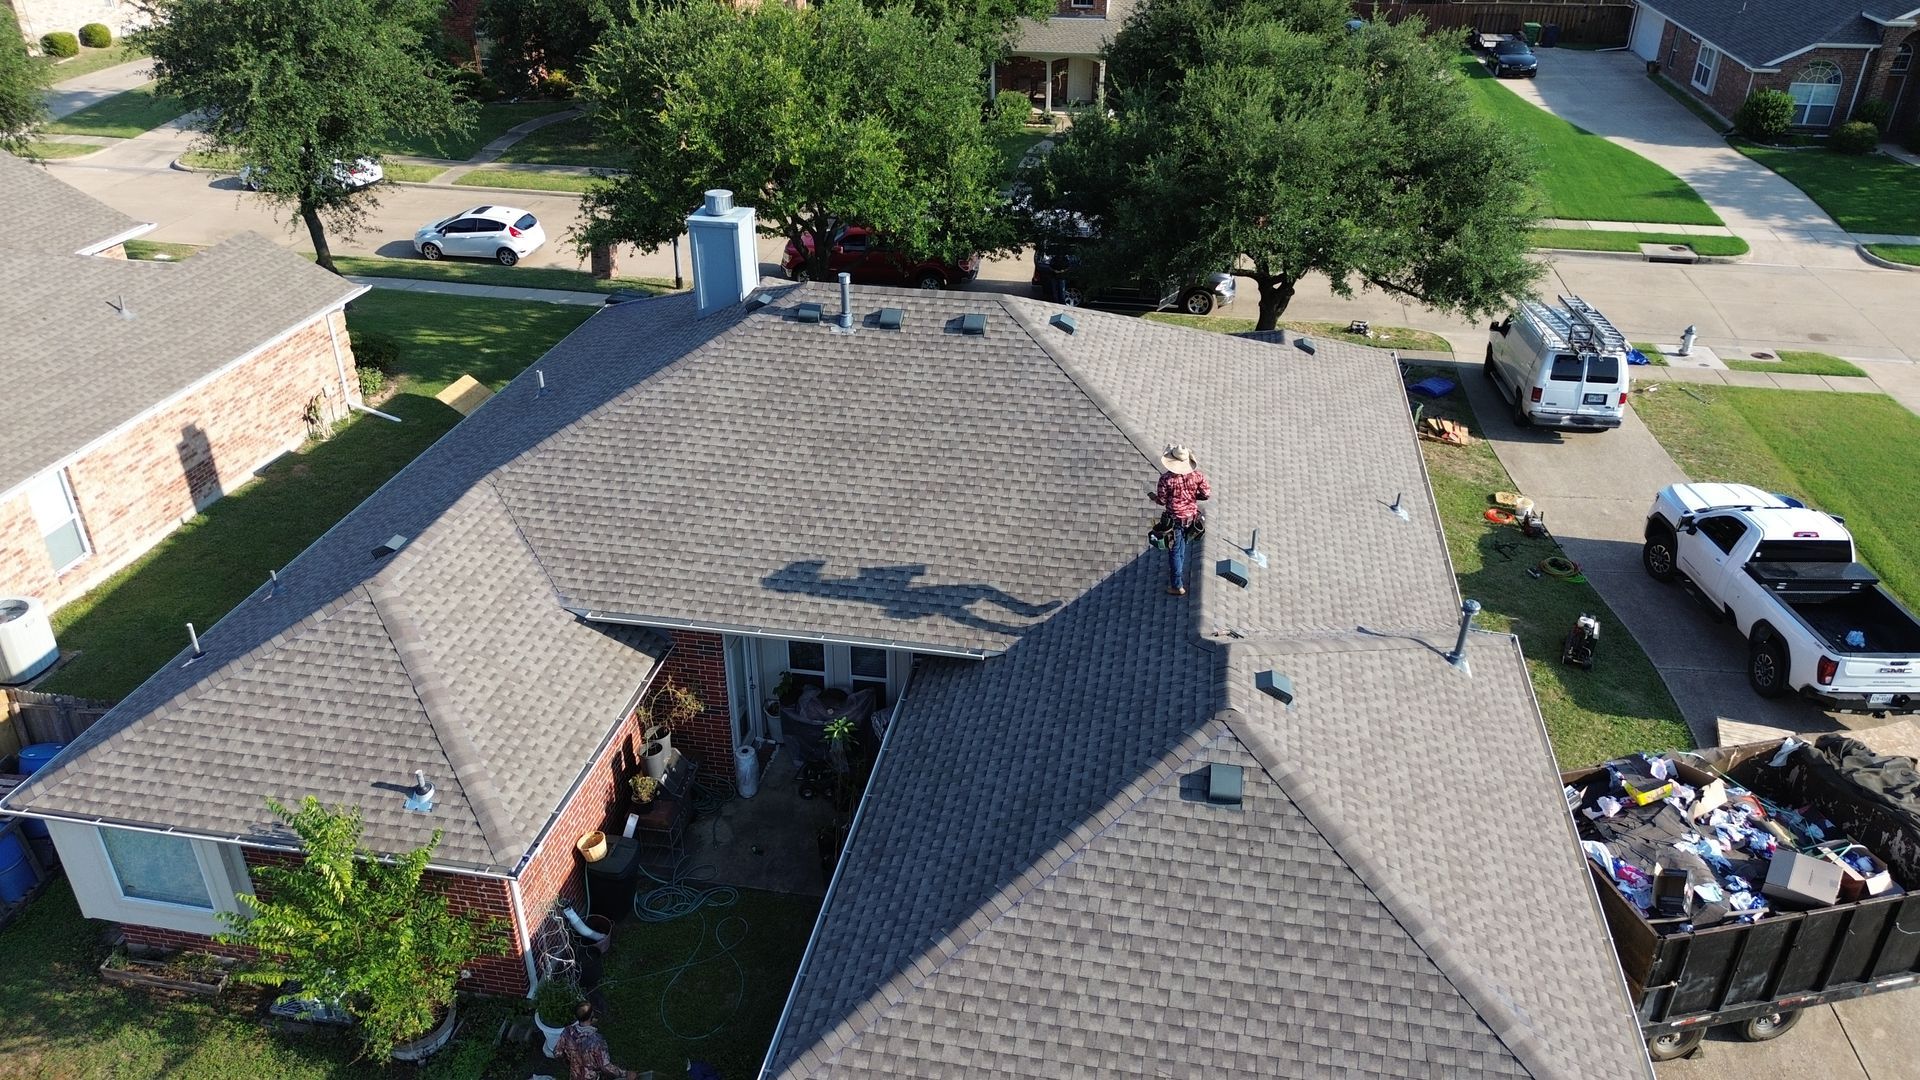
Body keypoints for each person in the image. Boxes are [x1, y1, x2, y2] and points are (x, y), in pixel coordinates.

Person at [1149, 445, 1210, 596]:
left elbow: (1162, 500)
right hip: (1191, 519)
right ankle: (1179, 570)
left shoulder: (1166, 479)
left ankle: (1177, 585)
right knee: (1181, 546)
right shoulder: (1198, 476)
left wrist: (1154, 498)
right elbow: (1206, 494)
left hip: (1174, 520)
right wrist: (1193, 497)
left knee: (1175, 551)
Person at [555, 1001, 638, 1080]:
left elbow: (557, 1053)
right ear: (592, 1015)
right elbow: (605, 1067)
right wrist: (626, 1074)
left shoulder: (567, 1031)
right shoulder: (597, 1041)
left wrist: (571, 1062)